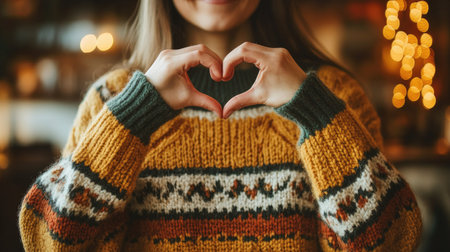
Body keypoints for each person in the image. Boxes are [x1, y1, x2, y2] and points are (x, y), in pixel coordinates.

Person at [19, 0, 422, 251]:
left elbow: (392, 241)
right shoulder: (112, 102)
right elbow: (48, 241)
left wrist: (312, 110)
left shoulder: (333, 96)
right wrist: (133, 115)